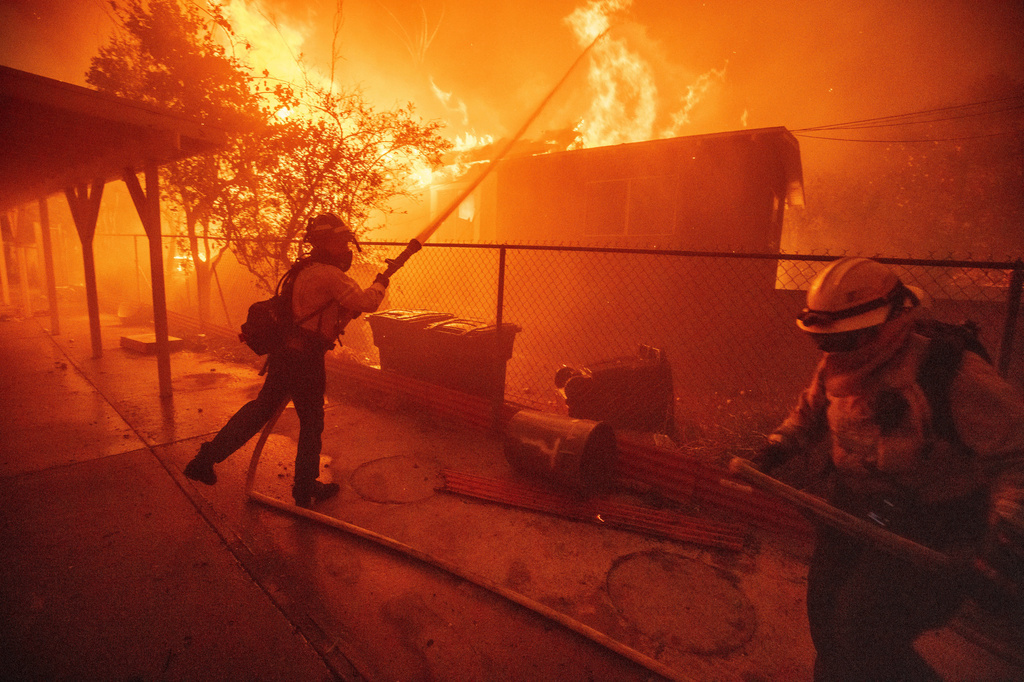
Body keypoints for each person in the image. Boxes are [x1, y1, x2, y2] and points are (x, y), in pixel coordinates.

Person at [753, 257, 1024, 681]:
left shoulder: (950, 374)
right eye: (827, 342)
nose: (834, 353)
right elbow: (808, 414)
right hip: (853, 510)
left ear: (889, 323)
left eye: (846, 340)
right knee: (825, 615)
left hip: (934, 523)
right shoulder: (840, 360)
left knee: (863, 633)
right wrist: (773, 450)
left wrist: (1001, 543)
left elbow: (1018, 456)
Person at [184, 213, 388, 508]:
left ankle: (205, 459)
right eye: (339, 241)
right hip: (305, 361)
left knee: (259, 411)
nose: (345, 248)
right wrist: (381, 282)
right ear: (324, 243)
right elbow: (366, 302)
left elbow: (323, 311)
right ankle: (304, 489)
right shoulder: (329, 275)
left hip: (285, 355)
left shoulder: (305, 270)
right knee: (311, 423)